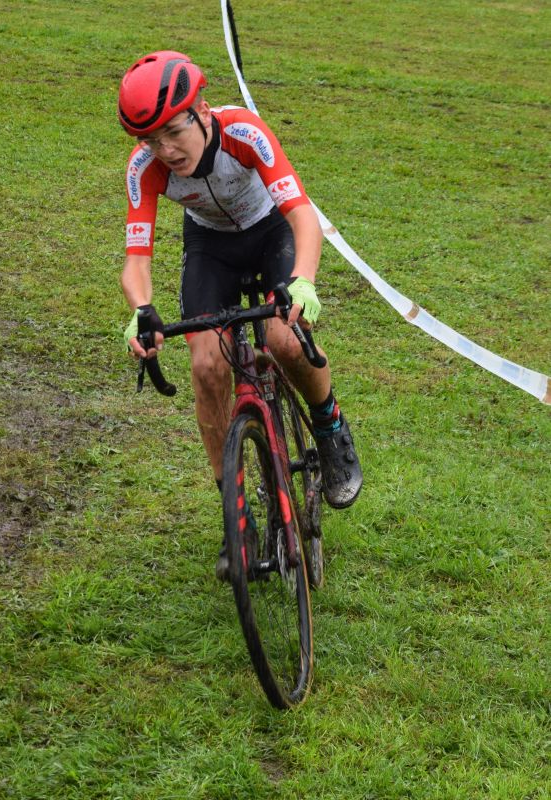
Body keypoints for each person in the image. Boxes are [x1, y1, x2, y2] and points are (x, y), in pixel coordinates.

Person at [118, 51, 363, 577]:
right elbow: (136, 261)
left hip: (271, 231)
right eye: (151, 141)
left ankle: (329, 425)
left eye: (173, 132)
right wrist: (141, 310)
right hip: (211, 248)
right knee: (207, 365)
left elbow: (302, 216)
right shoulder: (144, 168)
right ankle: (236, 513)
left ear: (203, 112)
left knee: (284, 339)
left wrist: (303, 281)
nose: (165, 151)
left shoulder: (244, 132)